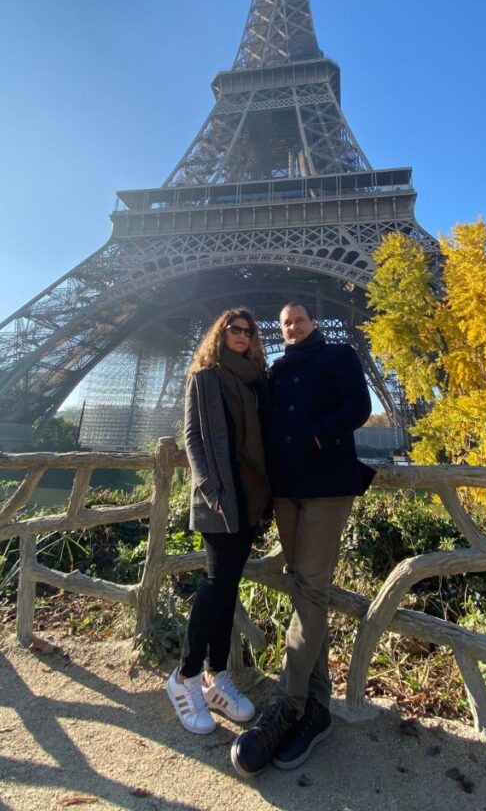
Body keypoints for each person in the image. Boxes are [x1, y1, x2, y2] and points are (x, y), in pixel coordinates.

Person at [231, 301, 372, 776]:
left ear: (313, 324)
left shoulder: (339, 356)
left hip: (326, 486)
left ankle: (287, 704)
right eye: (285, 322)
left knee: (309, 587)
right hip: (289, 491)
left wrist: (319, 436)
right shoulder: (273, 371)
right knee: (303, 588)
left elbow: (359, 405)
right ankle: (318, 706)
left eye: (299, 320)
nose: (291, 327)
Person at [166, 307, 271, 735]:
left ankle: (216, 676)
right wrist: (209, 488)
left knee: (228, 588)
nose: (242, 335)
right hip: (220, 498)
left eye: (248, 330)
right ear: (221, 333)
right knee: (215, 586)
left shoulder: (256, 381)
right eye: (235, 329)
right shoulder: (203, 377)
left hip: (250, 496)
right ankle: (185, 677)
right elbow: (191, 436)